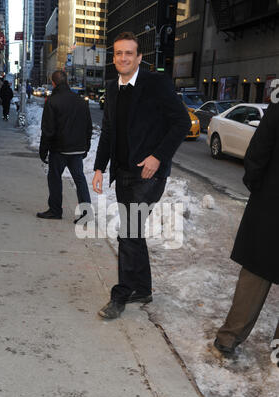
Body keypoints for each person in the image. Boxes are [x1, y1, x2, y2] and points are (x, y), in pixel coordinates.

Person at [92, 31, 191, 319]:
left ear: (139, 57)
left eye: (129, 53)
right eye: (118, 53)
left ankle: (121, 294)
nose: (123, 58)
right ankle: (143, 289)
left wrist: (158, 156)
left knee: (128, 233)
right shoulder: (111, 88)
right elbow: (108, 132)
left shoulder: (155, 83)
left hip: (148, 176)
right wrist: (99, 167)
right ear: (114, 57)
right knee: (133, 233)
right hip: (122, 173)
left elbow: (181, 122)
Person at [214, 103, 279, 365]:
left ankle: (229, 337)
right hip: (272, 203)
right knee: (255, 273)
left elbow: (259, 148)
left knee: (255, 274)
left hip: (272, 203)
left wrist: (259, 187)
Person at [37, 70, 92, 221]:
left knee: (54, 178)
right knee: (80, 180)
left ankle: (55, 210)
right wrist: (86, 146)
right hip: (77, 149)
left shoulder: (53, 101)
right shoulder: (80, 101)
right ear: (66, 81)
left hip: (59, 149)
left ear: (53, 83)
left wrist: (43, 150)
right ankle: (86, 214)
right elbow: (89, 126)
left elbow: (47, 129)